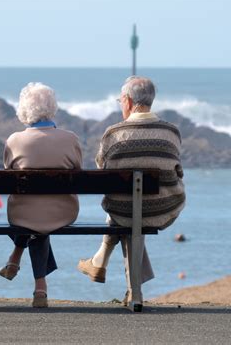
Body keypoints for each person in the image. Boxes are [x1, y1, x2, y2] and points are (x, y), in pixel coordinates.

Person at [77, 76, 185, 305]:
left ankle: (100, 260)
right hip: (163, 207)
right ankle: (134, 292)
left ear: (127, 100)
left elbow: (102, 170)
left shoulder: (113, 134)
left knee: (128, 208)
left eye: (120, 100)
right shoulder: (171, 133)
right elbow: (177, 170)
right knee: (137, 207)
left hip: (121, 210)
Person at [0, 82, 82, 308]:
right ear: (52, 108)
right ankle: (40, 286)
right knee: (42, 217)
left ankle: (17, 260)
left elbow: (8, 171)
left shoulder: (14, 140)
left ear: (24, 110)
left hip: (23, 214)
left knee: (33, 215)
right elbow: (78, 168)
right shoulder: (70, 139)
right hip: (63, 212)